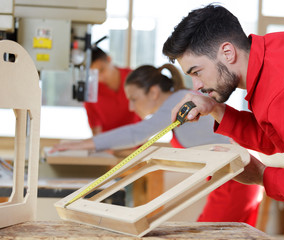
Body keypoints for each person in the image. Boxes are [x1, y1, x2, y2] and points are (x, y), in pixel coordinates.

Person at [162, 4, 284, 239]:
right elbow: (279, 135)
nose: (197, 86)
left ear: (228, 52)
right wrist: (216, 109)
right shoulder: (274, 58)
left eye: (197, 72)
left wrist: (261, 175)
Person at [51, 64, 262, 226]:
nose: (132, 107)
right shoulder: (177, 104)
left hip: (236, 180)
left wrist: (78, 145)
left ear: (153, 92)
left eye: (134, 99)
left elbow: (137, 133)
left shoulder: (178, 103)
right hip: (231, 179)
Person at [84, 46, 140, 136]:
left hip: (139, 143)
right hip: (109, 146)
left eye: (101, 70)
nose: (100, 77)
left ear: (109, 59)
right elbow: (96, 130)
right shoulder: (91, 91)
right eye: (94, 74)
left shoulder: (134, 77)